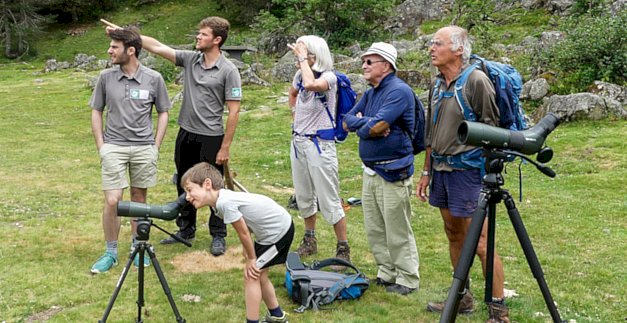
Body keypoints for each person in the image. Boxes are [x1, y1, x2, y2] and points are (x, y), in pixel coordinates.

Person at [108, 17, 242, 255]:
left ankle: (218, 234)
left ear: (217, 40)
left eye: (203, 35)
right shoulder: (191, 60)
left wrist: (225, 147)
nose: (198, 38)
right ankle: (186, 229)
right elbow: (158, 47)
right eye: (198, 33)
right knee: (185, 183)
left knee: (215, 188)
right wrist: (126, 33)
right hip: (186, 134)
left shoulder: (229, 70)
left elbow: (233, 110)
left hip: (211, 137)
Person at [416, 26, 510, 322]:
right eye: (431, 43)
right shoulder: (436, 84)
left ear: (458, 49)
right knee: (453, 233)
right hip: (441, 170)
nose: (431, 48)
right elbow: (432, 132)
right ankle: (463, 297)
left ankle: (499, 311)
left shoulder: (476, 81)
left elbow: (491, 130)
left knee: (480, 241)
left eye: (438, 43)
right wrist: (426, 171)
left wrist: (484, 171)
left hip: (468, 172)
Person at [89, 27, 170, 274]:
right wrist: (102, 146)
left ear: (131, 50)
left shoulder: (154, 78)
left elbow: (163, 112)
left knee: (139, 199)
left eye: (114, 47)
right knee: (113, 200)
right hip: (114, 147)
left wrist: (155, 146)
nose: (109, 50)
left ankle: (138, 248)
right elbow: (96, 110)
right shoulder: (106, 77)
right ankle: (110, 252)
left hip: (144, 148)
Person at [343, 42, 420, 295]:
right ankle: (386, 273)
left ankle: (407, 278)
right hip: (371, 170)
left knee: (397, 227)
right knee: (375, 227)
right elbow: (347, 121)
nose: (363, 66)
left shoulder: (398, 91)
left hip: (393, 170)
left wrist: (366, 125)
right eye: (363, 61)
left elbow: (377, 127)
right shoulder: (371, 92)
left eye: (369, 62)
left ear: (386, 66)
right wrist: (367, 123)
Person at [181, 162, 292, 323]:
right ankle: (277, 316)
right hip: (268, 233)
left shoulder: (224, 203)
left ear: (207, 184)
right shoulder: (218, 204)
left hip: (279, 231)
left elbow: (243, 232)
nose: (187, 197)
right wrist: (248, 252)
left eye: (190, 190)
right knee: (259, 275)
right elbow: (247, 224)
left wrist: (251, 258)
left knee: (251, 275)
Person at [286, 35, 350, 262]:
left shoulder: (329, 78)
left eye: (305, 54)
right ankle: (310, 239)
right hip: (299, 142)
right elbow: (294, 93)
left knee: (328, 198)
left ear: (316, 56)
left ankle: (343, 248)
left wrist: (303, 60)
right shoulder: (298, 75)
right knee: (304, 195)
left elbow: (313, 85)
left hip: (320, 145)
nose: (299, 58)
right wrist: (295, 116)